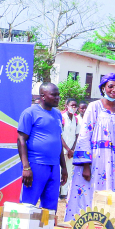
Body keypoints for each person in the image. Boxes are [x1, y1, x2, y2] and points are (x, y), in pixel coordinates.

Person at [66, 73, 115, 221]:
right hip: (97, 162)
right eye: (110, 86)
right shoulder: (94, 107)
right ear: (103, 88)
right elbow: (84, 136)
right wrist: (86, 165)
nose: (114, 90)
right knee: (93, 194)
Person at [17, 83, 68, 211]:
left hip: (54, 166)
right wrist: (26, 167)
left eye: (58, 95)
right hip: (36, 164)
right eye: (53, 95)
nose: (57, 98)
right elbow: (21, 140)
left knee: (50, 209)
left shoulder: (57, 114)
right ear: (43, 96)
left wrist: (64, 168)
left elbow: (58, 141)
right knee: (27, 206)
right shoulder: (30, 113)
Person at [60, 98, 79, 198]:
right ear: (66, 106)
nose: (74, 107)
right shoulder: (62, 117)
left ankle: (64, 193)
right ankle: (57, 192)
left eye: (75, 106)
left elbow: (77, 135)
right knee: (60, 171)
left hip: (71, 151)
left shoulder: (76, 119)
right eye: (72, 105)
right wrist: (67, 149)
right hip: (62, 150)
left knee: (68, 171)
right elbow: (60, 135)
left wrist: (72, 150)